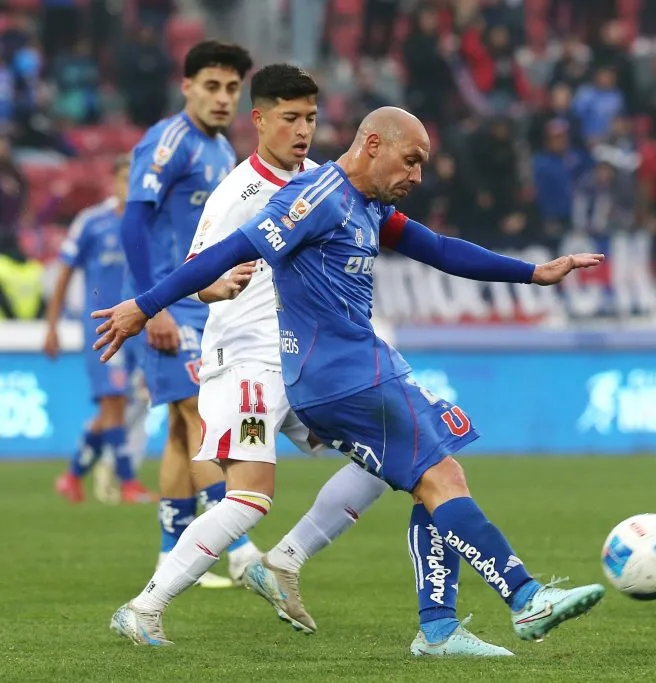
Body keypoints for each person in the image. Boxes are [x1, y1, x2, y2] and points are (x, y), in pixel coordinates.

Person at [95, 105, 607, 648]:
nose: (417, 176)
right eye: (410, 160)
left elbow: (438, 249)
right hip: (340, 375)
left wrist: (532, 273)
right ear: (372, 145)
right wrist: (145, 306)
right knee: (434, 474)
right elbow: (230, 250)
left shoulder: (367, 204)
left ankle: (435, 626)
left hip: (350, 369)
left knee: (428, 474)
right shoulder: (315, 198)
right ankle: (525, 599)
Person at [120, 40, 257, 587]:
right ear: (187, 87)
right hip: (163, 304)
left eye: (232, 88)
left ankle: (171, 558)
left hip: (199, 303)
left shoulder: (221, 150)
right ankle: (239, 548)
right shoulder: (169, 141)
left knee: (182, 432)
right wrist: (152, 305)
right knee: (202, 418)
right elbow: (134, 221)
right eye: (212, 86)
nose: (223, 98)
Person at [46, 155, 153, 505]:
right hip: (102, 328)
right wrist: (52, 326)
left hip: (138, 328)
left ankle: (72, 476)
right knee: (114, 401)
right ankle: (128, 483)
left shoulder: (151, 221)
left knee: (117, 407)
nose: (129, 186)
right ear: (113, 181)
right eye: (124, 178)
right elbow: (63, 274)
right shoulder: (92, 222)